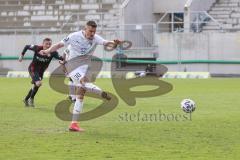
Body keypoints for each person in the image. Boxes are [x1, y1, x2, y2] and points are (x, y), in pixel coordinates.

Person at [39, 21, 120, 132]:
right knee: (83, 82)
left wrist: (114, 43)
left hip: (84, 68)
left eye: (94, 31)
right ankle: (100, 93)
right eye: (90, 31)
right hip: (71, 66)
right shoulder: (74, 36)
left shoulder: (95, 38)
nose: (92, 33)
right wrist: (47, 50)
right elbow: (59, 45)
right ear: (85, 29)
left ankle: (74, 124)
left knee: (81, 94)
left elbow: (107, 43)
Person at [19, 38, 64, 107]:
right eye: (46, 44)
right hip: (33, 68)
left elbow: (60, 58)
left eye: (49, 44)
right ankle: (31, 98)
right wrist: (22, 55)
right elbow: (27, 46)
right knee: (38, 83)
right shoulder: (37, 48)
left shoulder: (53, 52)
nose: (48, 45)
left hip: (41, 71)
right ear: (43, 44)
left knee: (36, 85)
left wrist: (63, 60)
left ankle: (26, 99)